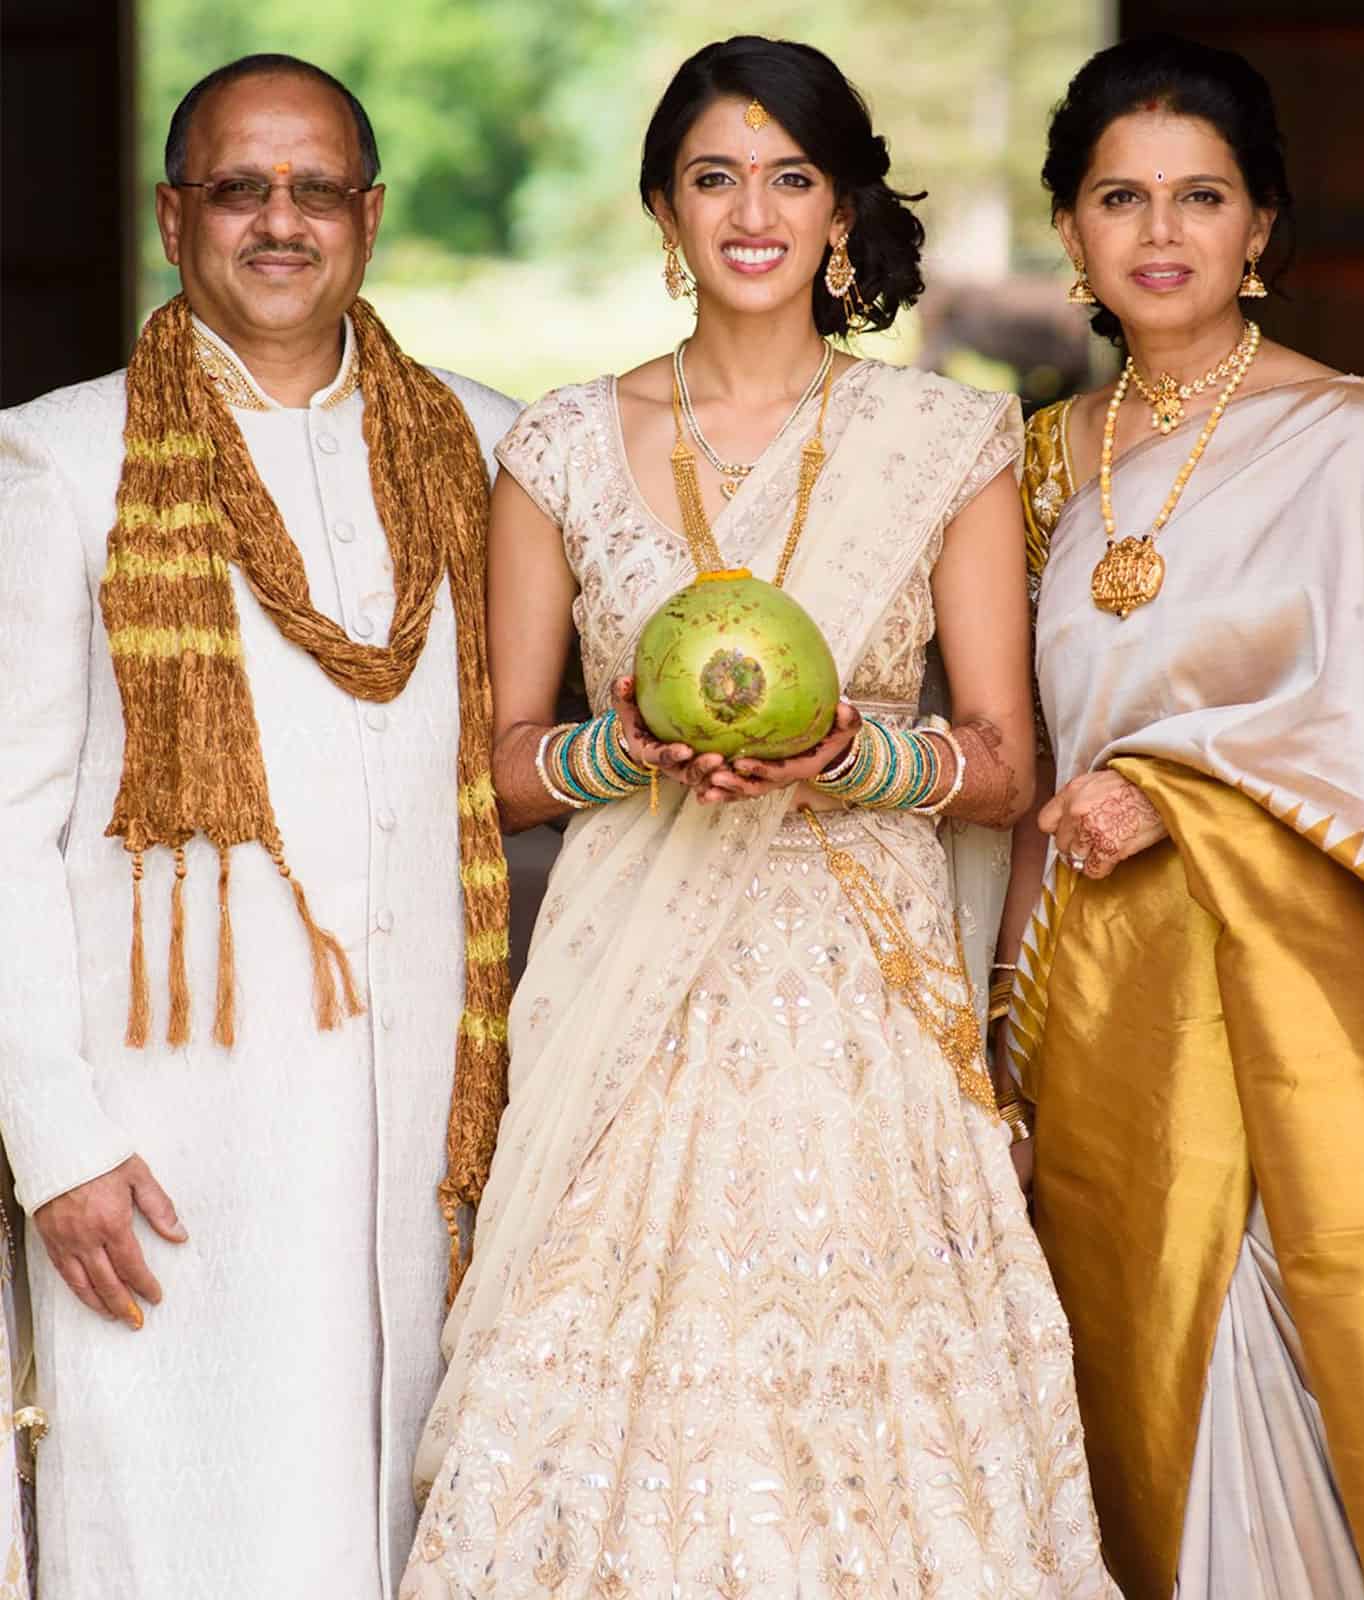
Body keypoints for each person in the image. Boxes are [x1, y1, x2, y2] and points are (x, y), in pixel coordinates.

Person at [400, 35, 1118, 1600]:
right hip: (624, 1015)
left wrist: (849, 763)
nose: (753, 210)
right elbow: (501, 765)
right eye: (714, 176)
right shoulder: (562, 446)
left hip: (860, 1015)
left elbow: (999, 761)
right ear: (661, 211)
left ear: (842, 210)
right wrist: (632, 751)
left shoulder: (940, 442)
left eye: (791, 176)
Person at [0, 54, 519, 1598]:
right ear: (175, 217)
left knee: (419, 1512)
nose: (277, 221)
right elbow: (4, 819)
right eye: (240, 187)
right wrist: (55, 1142)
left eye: (312, 190)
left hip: (436, 1114)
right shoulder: (60, 459)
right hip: (170, 1139)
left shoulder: (489, 451)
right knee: (179, 1522)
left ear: (368, 215)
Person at [998, 32, 1364, 1600]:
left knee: (1270, 1375)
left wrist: (1184, 791)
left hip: (1289, 1013)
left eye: (1199, 197)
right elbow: (1016, 748)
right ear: (1067, 228)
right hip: (1086, 1007)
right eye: (1117, 197)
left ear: (1260, 226)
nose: (1158, 233)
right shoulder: (1037, 469)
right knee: (1112, 1393)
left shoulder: (1356, 441)